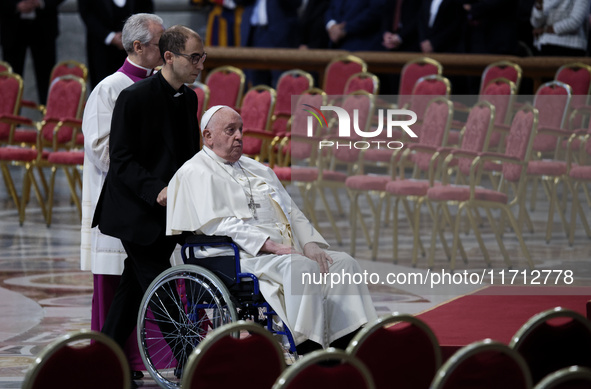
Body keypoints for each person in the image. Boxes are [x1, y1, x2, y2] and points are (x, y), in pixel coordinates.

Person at [166, 105, 378, 354]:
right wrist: (274, 247)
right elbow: (218, 223)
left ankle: (346, 345)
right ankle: (309, 347)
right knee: (302, 267)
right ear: (208, 136)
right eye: (230, 130)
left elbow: (291, 211)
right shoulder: (195, 171)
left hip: (280, 252)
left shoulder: (258, 169)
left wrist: (309, 244)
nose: (239, 137)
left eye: (241, 130)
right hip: (239, 256)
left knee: (342, 264)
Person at [92, 25, 203, 367]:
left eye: (203, 57)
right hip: (134, 211)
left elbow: (187, 156)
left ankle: (103, 361)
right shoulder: (134, 97)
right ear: (169, 57)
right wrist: (157, 190)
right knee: (161, 285)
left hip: (167, 210)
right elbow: (121, 159)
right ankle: (191, 360)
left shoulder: (189, 97)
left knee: (131, 289)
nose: (200, 65)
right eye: (194, 57)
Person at [80, 13, 164, 378]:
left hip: (150, 203)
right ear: (138, 46)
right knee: (119, 284)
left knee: (143, 280)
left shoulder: (160, 87)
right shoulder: (109, 89)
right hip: (120, 201)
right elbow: (102, 148)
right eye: (161, 44)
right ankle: (116, 361)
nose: (167, 51)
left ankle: (142, 358)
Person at [77, 0, 154, 88]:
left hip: (135, 47)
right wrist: (110, 37)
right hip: (101, 49)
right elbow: (86, 12)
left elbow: (147, 10)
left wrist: (133, 35)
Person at [0, 0, 65, 104]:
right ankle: (8, 119)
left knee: (47, 82)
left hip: (44, 28)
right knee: (10, 84)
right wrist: (15, 5)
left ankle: (48, 118)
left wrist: (42, 2)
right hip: (12, 28)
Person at [236, 0, 302, 87]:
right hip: (253, 32)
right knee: (257, 86)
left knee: (282, 83)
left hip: (281, 33)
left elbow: (296, 3)